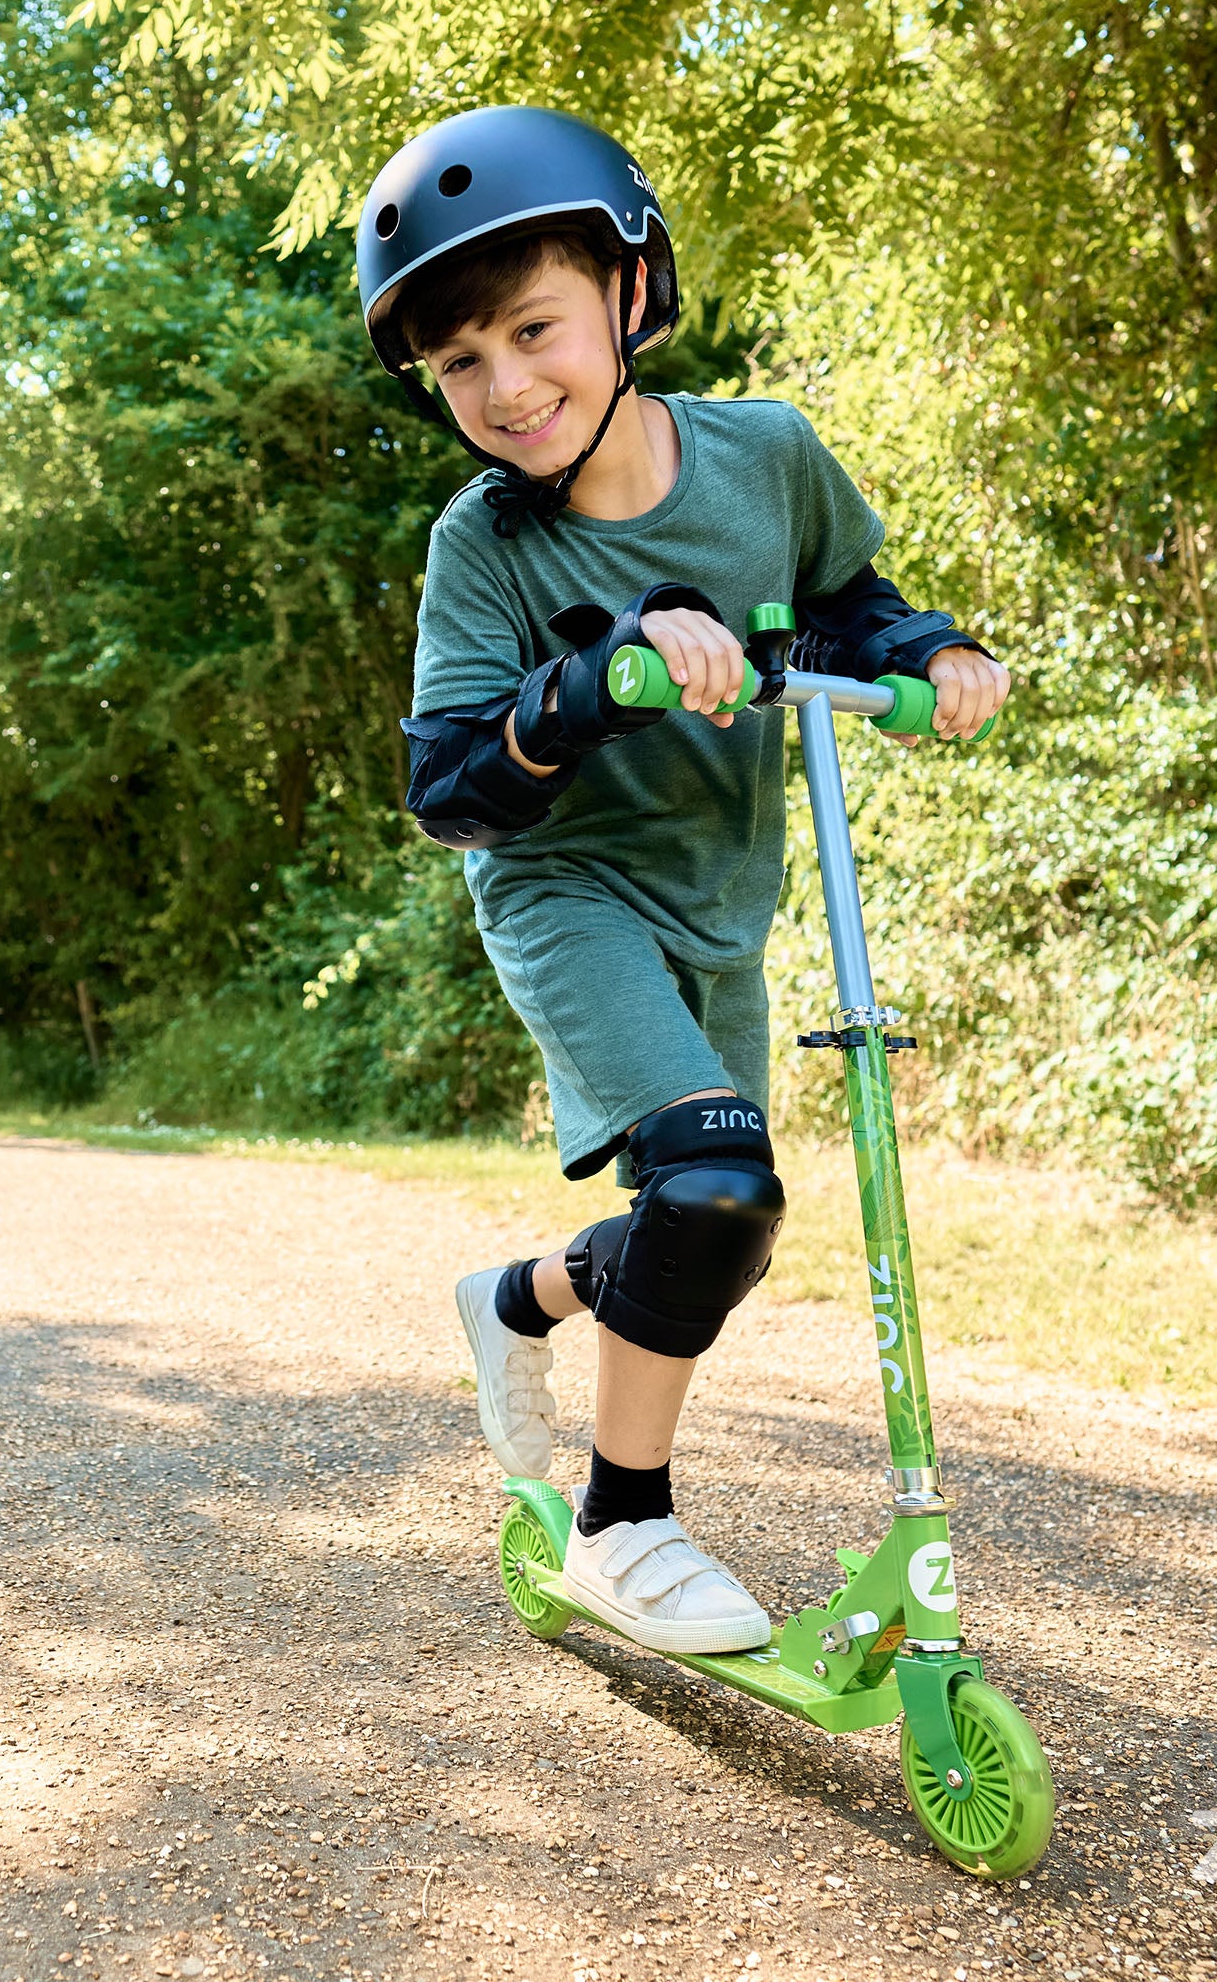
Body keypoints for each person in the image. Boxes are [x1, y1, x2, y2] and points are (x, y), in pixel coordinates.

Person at [356, 107, 1009, 1655]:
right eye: (461, 365)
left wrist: (932, 657)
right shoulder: (486, 549)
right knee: (715, 1183)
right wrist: (596, 679)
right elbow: (451, 791)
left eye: (532, 330)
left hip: (724, 896)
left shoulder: (763, 456)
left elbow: (850, 605)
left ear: (629, 297)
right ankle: (621, 1529)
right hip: (567, 890)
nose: (507, 388)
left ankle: (518, 1300)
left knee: (719, 1221)